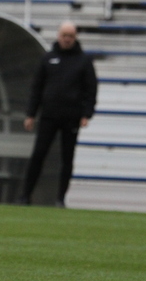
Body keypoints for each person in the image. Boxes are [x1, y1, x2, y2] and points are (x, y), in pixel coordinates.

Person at [17, 21, 98, 208]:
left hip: (71, 116)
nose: (67, 39)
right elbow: (37, 88)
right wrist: (31, 113)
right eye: (64, 35)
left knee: (67, 158)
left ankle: (60, 198)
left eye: (70, 36)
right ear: (58, 35)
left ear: (75, 37)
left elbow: (90, 89)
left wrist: (87, 113)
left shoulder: (84, 61)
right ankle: (25, 195)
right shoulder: (48, 58)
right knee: (38, 154)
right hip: (48, 116)